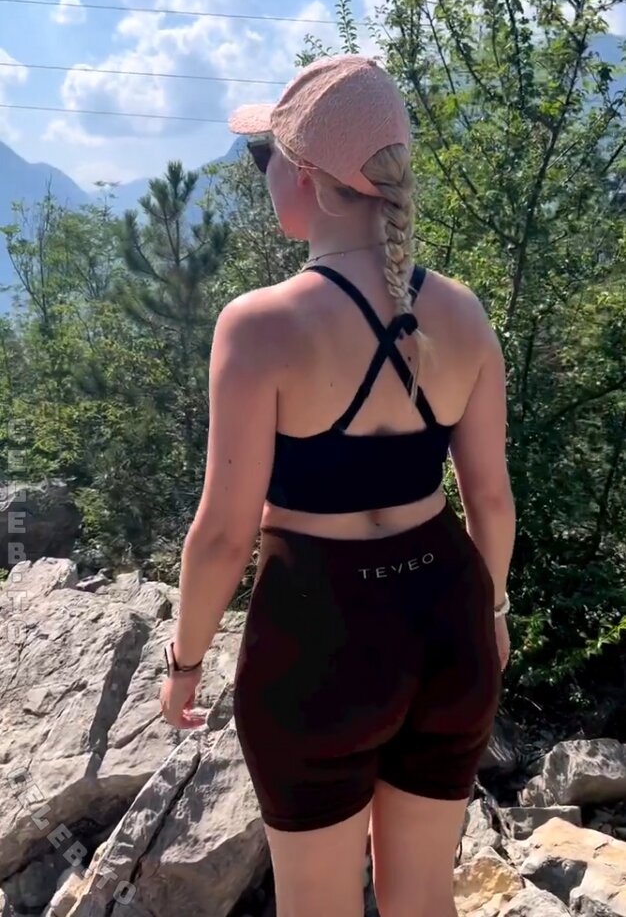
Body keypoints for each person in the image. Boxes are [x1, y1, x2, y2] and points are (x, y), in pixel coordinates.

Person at [159, 55, 515, 917]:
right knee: (422, 898)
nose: (261, 174)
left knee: (317, 904)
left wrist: (185, 663)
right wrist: (496, 615)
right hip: (449, 624)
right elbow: (491, 502)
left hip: (317, 638)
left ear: (311, 180)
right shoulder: (463, 314)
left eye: (265, 157)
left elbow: (223, 534)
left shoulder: (260, 325)